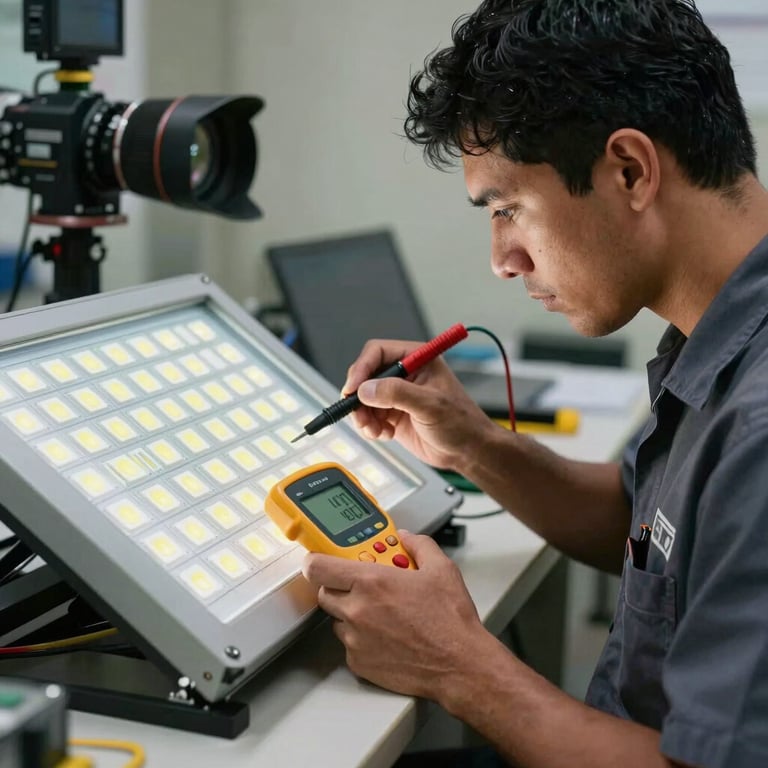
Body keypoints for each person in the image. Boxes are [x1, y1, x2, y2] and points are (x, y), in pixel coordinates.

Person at [302, 1, 768, 765]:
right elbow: (644, 530)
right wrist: (476, 447)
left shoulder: (759, 422)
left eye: (510, 208)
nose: (503, 259)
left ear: (630, 170)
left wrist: (458, 663)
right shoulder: (717, 332)